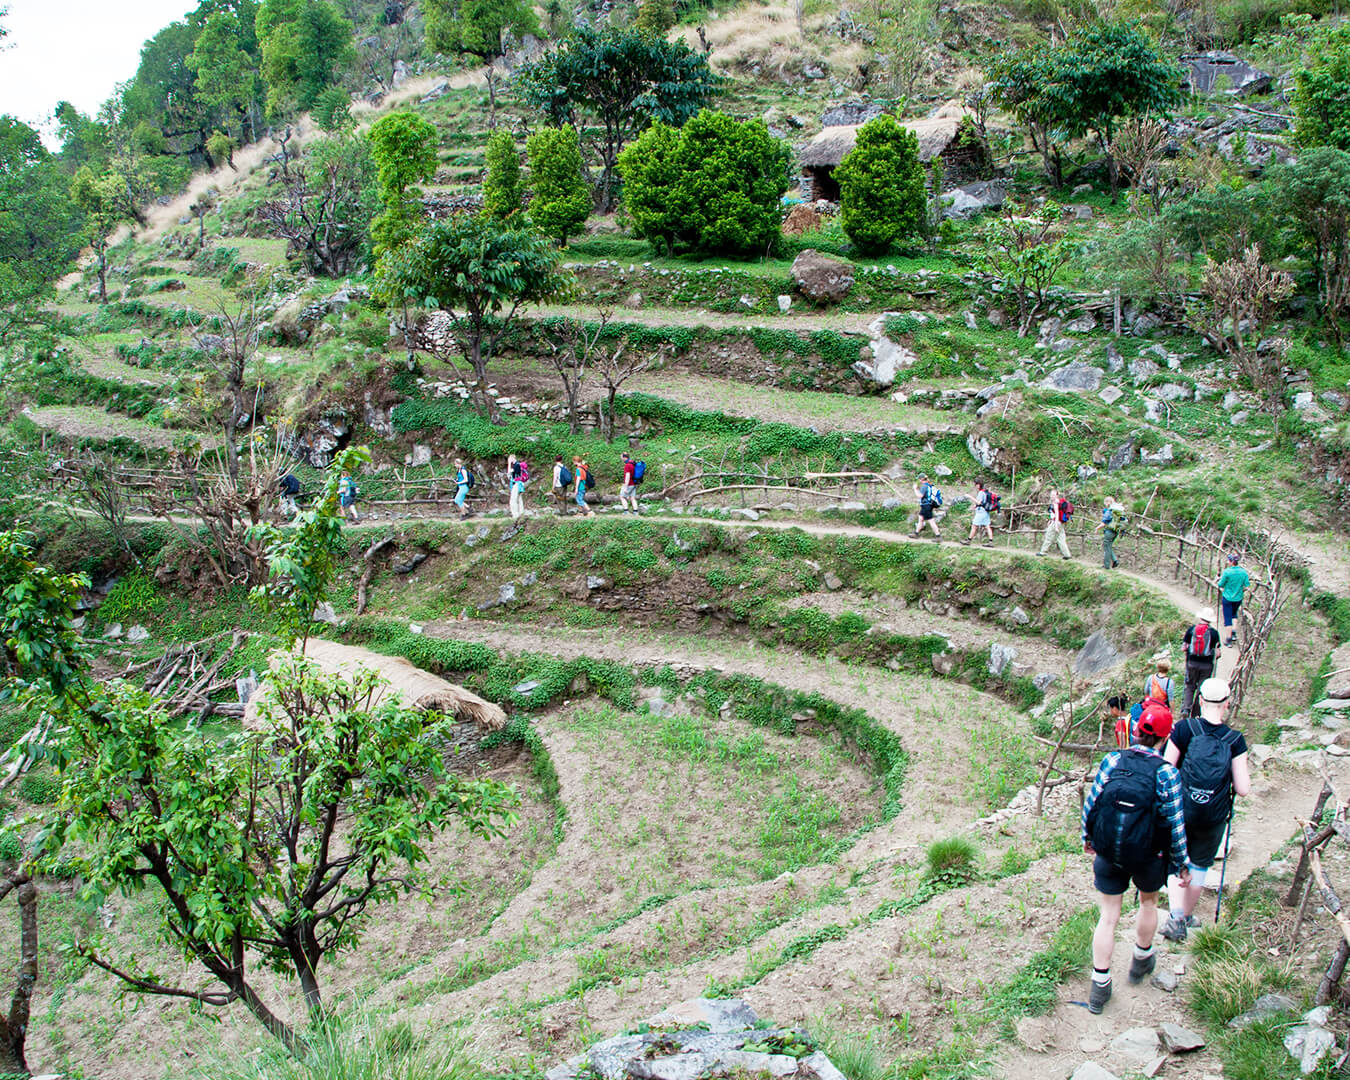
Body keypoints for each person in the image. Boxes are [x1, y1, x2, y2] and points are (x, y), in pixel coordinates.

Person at [1081, 708, 1190, 1013]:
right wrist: (1181, 862)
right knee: (1148, 903)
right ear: (1165, 737)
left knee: (1108, 916)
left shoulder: (1114, 760)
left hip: (1110, 852)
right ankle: (1142, 957)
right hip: (1148, 855)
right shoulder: (1166, 772)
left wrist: (1088, 839)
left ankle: (1099, 985)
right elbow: (1175, 822)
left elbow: (1092, 802)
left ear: (1137, 730)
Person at [1161, 678, 1251, 942]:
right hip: (1213, 815)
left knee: (1177, 860)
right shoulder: (1235, 740)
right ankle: (1187, 918)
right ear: (1226, 703)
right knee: (1200, 865)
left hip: (1181, 810)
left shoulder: (1184, 729)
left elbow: (1166, 768)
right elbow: (1243, 788)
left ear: (1200, 700)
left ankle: (1175, 917)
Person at [1181, 608, 1222, 719]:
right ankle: (1196, 712)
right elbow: (1218, 653)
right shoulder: (1214, 633)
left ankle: (1186, 708)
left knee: (1189, 686)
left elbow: (1184, 648)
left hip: (1192, 663)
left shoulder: (1191, 630)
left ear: (1200, 617)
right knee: (1201, 689)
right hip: (1207, 665)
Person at [1215, 553, 1251, 648]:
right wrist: (1240, 590)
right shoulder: (1243, 572)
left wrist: (1218, 579)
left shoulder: (1227, 572)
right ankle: (1233, 632)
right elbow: (1247, 586)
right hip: (1238, 598)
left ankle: (1228, 639)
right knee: (1234, 615)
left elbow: (1221, 584)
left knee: (1227, 619)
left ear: (1231, 562)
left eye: (1228, 560)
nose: (1227, 562)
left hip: (1227, 598)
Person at [1036, 487, 1072, 559]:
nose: (1051, 496)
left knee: (1049, 536)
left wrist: (1055, 526)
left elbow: (1057, 515)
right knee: (1061, 538)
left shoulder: (1055, 503)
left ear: (1057, 495)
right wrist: (1051, 520)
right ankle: (1067, 555)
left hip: (1057, 522)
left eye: (1053, 495)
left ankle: (1043, 552)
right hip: (1060, 523)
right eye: (1051, 494)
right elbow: (1054, 514)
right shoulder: (1059, 502)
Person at [963, 481, 994, 547]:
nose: (975, 486)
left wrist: (970, 497)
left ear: (978, 485)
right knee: (987, 526)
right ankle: (990, 542)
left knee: (974, 526)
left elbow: (979, 502)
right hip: (986, 511)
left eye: (976, 484)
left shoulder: (981, 492)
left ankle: (968, 540)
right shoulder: (986, 492)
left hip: (981, 512)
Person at [913, 474, 941, 541]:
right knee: (921, 518)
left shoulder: (924, 486)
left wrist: (915, 489)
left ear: (921, 479)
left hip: (926, 506)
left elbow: (920, 495)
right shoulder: (929, 485)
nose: (919, 480)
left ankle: (938, 536)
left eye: (919, 479)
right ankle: (916, 533)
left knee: (931, 521)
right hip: (928, 505)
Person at [1096, 497, 1122, 570]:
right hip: (1116, 531)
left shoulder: (1109, 511)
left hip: (1109, 531)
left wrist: (1097, 528)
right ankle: (1115, 560)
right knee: (1108, 546)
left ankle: (1106, 565)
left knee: (1106, 547)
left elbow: (1104, 523)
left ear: (1107, 502)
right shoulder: (1117, 511)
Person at [508, 454, 527, 520]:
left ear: (513, 458)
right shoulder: (518, 465)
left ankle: (515, 514)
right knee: (519, 499)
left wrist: (509, 464)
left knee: (513, 499)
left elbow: (509, 473)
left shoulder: (516, 465)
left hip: (516, 484)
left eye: (510, 459)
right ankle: (521, 512)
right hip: (520, 484)